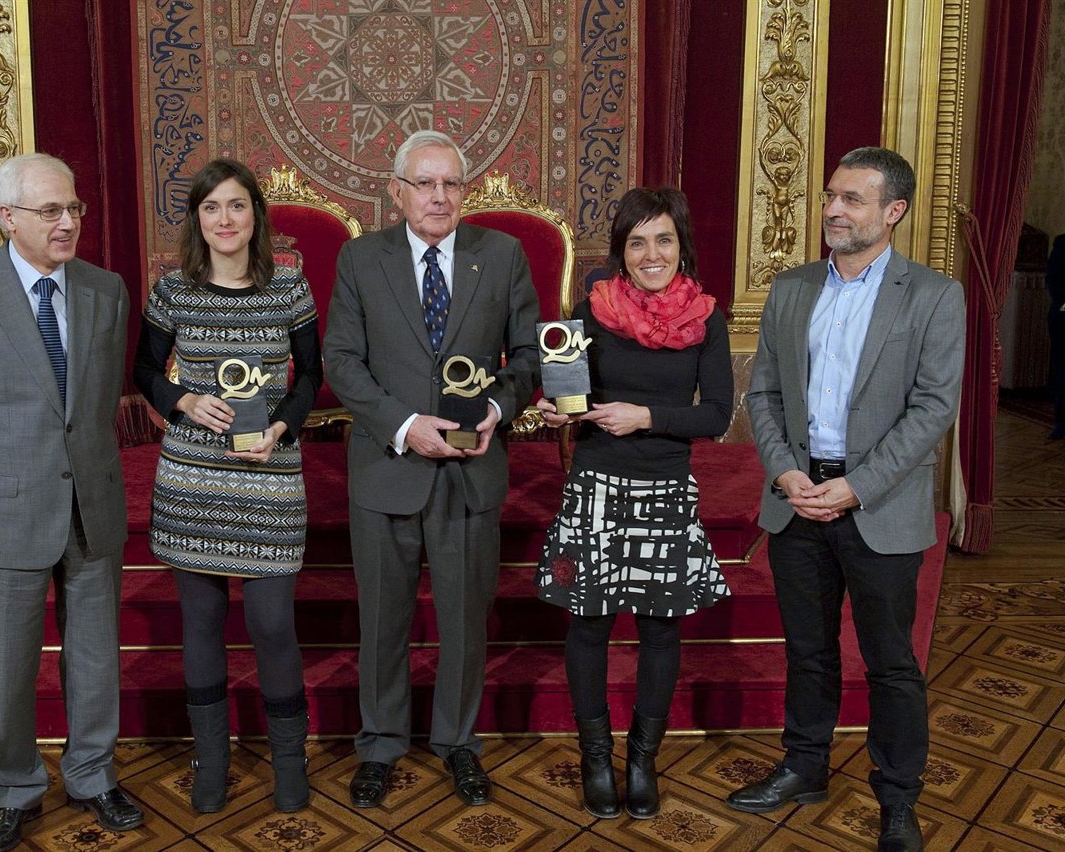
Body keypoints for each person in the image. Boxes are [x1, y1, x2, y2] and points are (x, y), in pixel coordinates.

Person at [731, 147, 964, 852]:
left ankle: (897, 797)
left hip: (879, 507)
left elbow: (933, 407)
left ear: (893, 211)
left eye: (852, 199)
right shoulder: (792, 287)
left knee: (891, 663)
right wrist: (784, 473)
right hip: (798, 501)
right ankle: (804, 767)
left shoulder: (934, 296)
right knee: (808, 652)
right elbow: (764, 394)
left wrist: (858, 486)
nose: (833, 209)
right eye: (831, 195)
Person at [0, 153, 142, 851]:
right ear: (7, 217)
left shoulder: (106, 289)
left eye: (74, 209)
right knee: (8, 664)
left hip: (91, 507)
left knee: (95, 656)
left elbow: (96, 403)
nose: (67, 222)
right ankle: (13, 789)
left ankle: (92, 775)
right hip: (1, 511)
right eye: (50, 211)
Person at [324, 130, 540, 808]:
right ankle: (380, 743)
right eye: (425, 183)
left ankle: (457, 741)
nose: (439, 196)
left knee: (465, 622)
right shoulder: (361, 259)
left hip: (471, 470)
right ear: (398, 192)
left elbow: (529, 357)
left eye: (451, 183)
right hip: (388, 468)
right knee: (382, 621)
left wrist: (497, 411)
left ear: (465, 191)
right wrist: (404, 426)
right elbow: (341, 361)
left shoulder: (501, 256)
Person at [536, 187, 732, 820]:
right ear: (621, 251)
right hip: (597, 483)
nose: (652, 255)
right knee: (589, 624)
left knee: (659, 627)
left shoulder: (707, 319)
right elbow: (570, 394)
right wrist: (557, 409)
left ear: (681, 246)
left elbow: (716, 415)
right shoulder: (591, 314)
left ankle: (642, 761)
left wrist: (645, 416)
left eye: (663, 240)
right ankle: (596, 758)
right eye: (638, 242)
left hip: (666, 488)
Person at [133, 158, 321, 813]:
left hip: (268, 476)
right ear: (197, 219)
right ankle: (210, 762)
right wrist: (182, 401)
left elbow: (311, 375)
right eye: (211, 207)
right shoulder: (173, 292)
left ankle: (289, 765)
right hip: (192, 479)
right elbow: (143, 369)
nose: (225, 219)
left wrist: (282, 426)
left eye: (236, 205)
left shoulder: (289, 287)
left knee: (271, 624)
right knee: (202, 623)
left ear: (255, 215)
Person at [1046, 233, 1065, 440]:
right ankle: (1062, 422)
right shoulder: (1062, 244)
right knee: (1063, 370)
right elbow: (1053, 280)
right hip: (1063, 316)